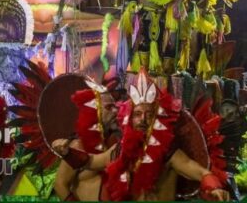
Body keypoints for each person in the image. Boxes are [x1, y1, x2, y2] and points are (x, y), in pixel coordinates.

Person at [52, 70, 229, 201]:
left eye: (149, 114)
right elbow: (90, 162)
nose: (143, 119)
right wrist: (67, 153)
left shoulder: (168, 152)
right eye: (137, 114)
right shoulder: (121, 149)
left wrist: (213, 187)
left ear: (156, 117)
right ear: (130, 118)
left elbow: (198, 171)